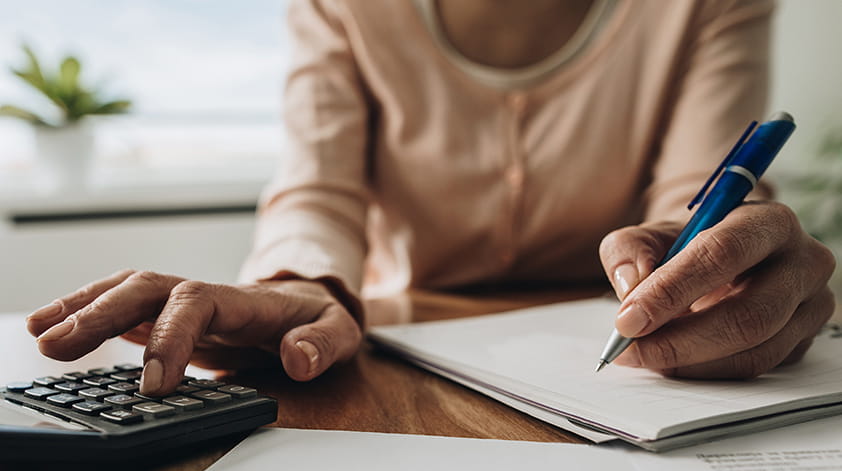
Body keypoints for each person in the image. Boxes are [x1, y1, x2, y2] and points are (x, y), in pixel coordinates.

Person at [25, 0, 836, 395]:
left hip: (619, 365)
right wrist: (299, 283)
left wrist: (720, 261)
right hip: (399, 359)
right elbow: (318, 192)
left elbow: (699, 194)